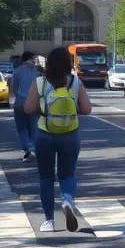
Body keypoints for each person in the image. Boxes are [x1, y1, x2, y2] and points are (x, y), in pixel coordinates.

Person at [25, 46, 92, 233]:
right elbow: (87, 109)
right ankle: (67, 201)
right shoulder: (75, 82)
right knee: (67, 174)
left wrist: (44, 106)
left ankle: (49, 221)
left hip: (44, 134)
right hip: (70, 134)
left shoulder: (40, 82)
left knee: (46, 178)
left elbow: (28, 108)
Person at [9, 52, 40, 162]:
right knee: (33, 127)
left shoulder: (17, 72)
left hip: (20, 101)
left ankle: (26, 149)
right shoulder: (36, 72)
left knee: (22, 128)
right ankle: (34, 149)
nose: (34, 62)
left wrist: (18, 96)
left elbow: (15, 88)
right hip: (33, 102)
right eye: (33, 59)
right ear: (28, 59)